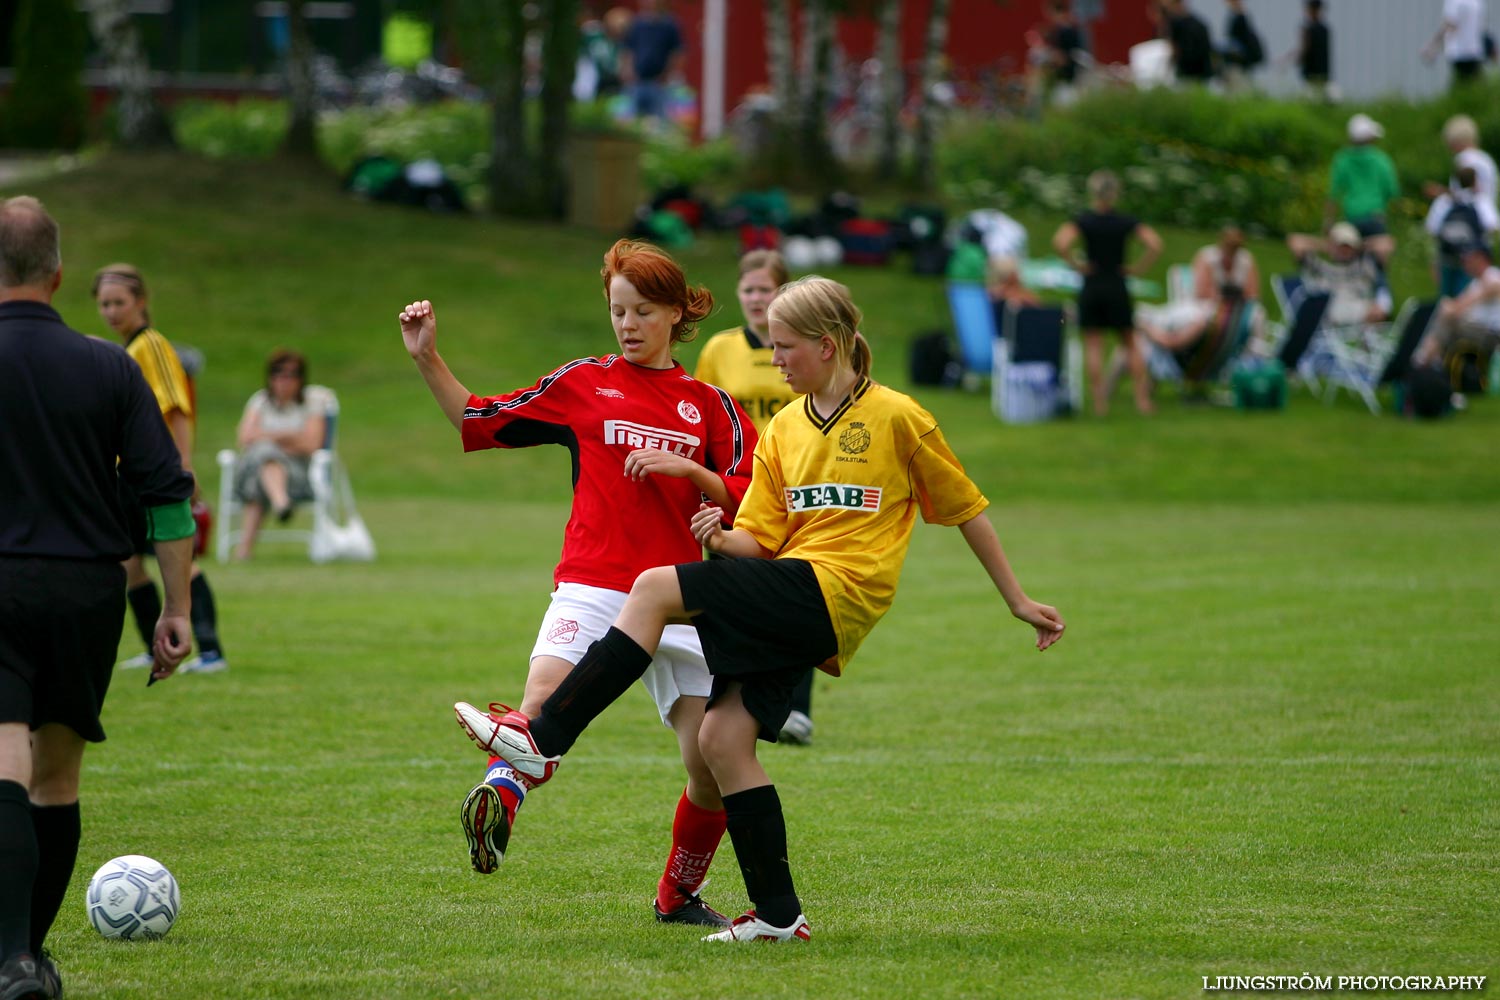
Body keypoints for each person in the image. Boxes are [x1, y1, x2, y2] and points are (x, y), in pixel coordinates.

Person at [453, 275, 1065, 943]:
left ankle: (544, 743)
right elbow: (761, 540)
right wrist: (719, 535)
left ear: (829, 346)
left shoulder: (899, 416)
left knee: (655, 587)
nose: (773, 361)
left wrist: (1018, 600)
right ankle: (779, 915)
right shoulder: (784, 430)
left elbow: (966, 510)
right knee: (721, 741)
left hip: (836, 591)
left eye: (785, 348)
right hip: (791, 590)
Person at [399, 239, 757, 928]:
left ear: (678, 314)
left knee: (710, 761)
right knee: (541, 702)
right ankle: (498, 803)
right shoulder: (583, 383)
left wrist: (698, 478)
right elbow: (480, 420)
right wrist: (426, 357)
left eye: (643, 311)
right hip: (594, 585)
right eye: (618, 310)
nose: (627, 324)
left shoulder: (712, 406)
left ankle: (677, 895)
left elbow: (755, 493)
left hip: (683, 599)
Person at [0, 196, 195, 1000]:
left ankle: (11, 959)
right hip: (87, 589)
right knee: (56, 779)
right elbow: (167, 496)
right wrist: (176, 609)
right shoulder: (108, 365)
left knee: (5, 761)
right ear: (58, 274)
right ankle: (31, 960)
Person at [692, 250, 815, 746]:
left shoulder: (807, 351)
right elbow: (700, 417)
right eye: (749, 290)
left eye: (766, 289)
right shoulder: (721, 349)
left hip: (796, 489)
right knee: (728, 596)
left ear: (783, 294)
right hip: (737, 488)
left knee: (797, 591)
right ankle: (725, 703)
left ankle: (794, 710)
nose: (756, 299)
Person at [92, 264, 228, 676]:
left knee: (179, 560)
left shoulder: (150, 345)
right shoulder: (128, 349)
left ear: (141, 302)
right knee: (130, 564)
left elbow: (177, 405)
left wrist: (183, 467)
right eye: (104, 304)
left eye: (119, 302)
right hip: (125, 475)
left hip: (154, 474)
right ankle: (156, 648)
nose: (112, 311)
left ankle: (210, 651)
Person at [1052, 169, 1163, 415]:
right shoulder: (1125, 221)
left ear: (1093, 192)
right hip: (1116, 284)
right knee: (1130, 342)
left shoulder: (1084, 220)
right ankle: (1142, 400)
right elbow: (1155, 243)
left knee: (1094, 344)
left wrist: (1077, 265)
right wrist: (1137, 268)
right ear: (1114, 194)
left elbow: (1060, 242)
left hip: (1092, 285)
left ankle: (1100, 404)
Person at [229, 349, 329, 561]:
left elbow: (312, 443)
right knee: (263, 459)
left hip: (297, 475)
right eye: (279, 373)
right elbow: (245, 437)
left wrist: (267, 437)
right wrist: (290, 437)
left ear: (301, 379)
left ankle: (244, 551)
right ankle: (281, 503)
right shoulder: (260, 402)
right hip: (256, 470)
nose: (285, 380)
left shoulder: (313, 401)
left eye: (293, 374)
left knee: (262, 460)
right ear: (270, 377)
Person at [1140, 226, 1261, 365]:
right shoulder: (1207, 257)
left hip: (1234, 308)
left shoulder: (1246, 260)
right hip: (1207, 305)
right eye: (1229, 246)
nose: (1232, 251)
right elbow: (1201, 292)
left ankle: (1250, 352)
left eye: (1235, 248)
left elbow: (1253, 293)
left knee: (1255, 314)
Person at [1412, 244, 1500, 396]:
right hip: (1470, 328)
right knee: (1444, 314)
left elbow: (1494, 287)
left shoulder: (1491, 275)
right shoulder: (1475, 282)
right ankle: (1431, 365)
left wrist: (1459, 306)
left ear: (1481, 259)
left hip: (1489, 333)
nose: (1465, 263)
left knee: (1447, 319)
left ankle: (1421, 362)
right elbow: (1456, 306)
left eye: (1469, 259)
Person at [1326, 114, 1400, 264]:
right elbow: (1392, 191)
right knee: (1378, 262)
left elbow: (1333, 194)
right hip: (1375, 216)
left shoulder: (1342, 159)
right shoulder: (1382, 160)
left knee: (1350, 262)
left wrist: (1328, 222)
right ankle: (1381, 287)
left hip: (1352, 215)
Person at [1287, 224, 1393, 327]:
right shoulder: (1319, 265)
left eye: (1348, 246)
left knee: (1377, 309)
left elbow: (1387, 243)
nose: (1344, 250)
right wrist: (1324, 245)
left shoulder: (1363, 264)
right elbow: (1294, 241)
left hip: (1359, 306)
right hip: (1331, 309)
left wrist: (1362, 246)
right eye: (1341, 246)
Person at [1425, 166, 1498, 298]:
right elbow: (1492, 227)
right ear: (1475, 181)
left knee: (1446, 298)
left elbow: (1432, 229)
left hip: (1446, 257)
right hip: (1473, 259)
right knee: (1469, 298)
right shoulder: (1480, 201)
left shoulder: (1444, 201)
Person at [1424, 115, 1499, 224]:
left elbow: (1465, 195)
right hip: (1488, 216)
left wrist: (1439, 192)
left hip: (1469, 221)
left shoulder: (1464, 159)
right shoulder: (1486, 159)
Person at [619, 0, 683, 124]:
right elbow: (628, 51)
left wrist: (668, 75)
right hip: (637, 82)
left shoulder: (669, 25)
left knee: (659, 122)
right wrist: (627, 71)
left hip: (659, 84)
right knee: (632, 122)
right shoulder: (637, 25)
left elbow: (678, 53)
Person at [1421, 0, 1488, 88]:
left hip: (1459, 53)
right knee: (1474, 86)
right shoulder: (1477, 2)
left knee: (1462, 87)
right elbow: (1480, 28)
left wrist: (1433, 46)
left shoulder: (1454, 2)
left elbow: (1451, 26)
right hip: (1474, 51)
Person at [1159, 0, 1214, 83]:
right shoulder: (1200, 24)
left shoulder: (1177, 25)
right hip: (1202, 73)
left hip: (1188, 75)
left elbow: (1174, 50)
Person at [1287, 0, 1332, 101]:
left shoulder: (1308, 29)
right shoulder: (1325, 30)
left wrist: (1295, 59)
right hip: (1323, 74)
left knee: (1310, 99)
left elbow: (1304, 49)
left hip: (1311, 74)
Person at [1219, 0, 1265, 86]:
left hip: (1239, 64)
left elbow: (1236, 45)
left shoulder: (1240, 20)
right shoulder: (1237, 18)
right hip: (1240, 64)